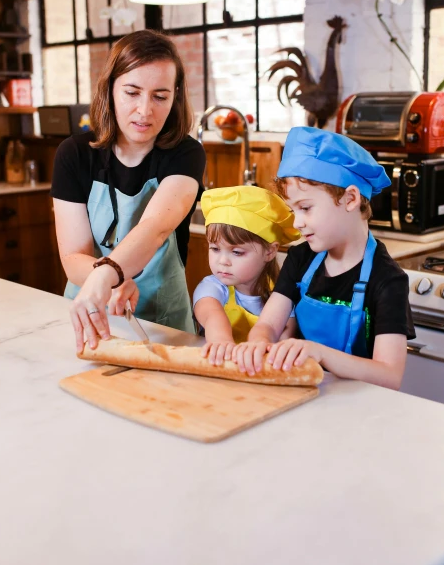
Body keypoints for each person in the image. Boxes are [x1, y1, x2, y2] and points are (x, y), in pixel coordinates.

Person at [51, 30, 206, 352]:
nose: (145, 110)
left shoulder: (185, 153)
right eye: (132, 92)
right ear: (110, 90)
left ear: (175, 96)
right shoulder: (74, 154)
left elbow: (155, 227)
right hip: (88, 313)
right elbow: (72, 255)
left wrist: (107, 274)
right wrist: (109, 281)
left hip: (165, 324)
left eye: (160, 96)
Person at [232, 127, 415, 390]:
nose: (297, 223)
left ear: (350, 198)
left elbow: (389, 375)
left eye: (305, 208)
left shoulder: (387, 280)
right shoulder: (300, 259)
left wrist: (319, 353)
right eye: (293, 210)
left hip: (362, 407)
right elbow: (269, 325)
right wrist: (259, 341)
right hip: (305, 393)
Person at [193, 185, 300, 366]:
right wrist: (222, 342)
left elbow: (285, 336)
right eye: (215, 249)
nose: (223, 261)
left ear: (270, 251)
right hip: (221, 365)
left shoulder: (282, 292)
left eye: (236, 252)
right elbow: (212, 316)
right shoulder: (212, 287)